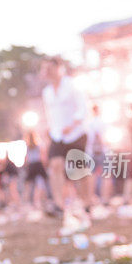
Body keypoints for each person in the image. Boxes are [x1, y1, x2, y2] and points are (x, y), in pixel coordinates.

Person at [40, 57, 91, 216]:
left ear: (58, 68)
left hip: (76, 134)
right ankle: (59, 204)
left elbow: (83, 107)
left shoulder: (71, 85)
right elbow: (49, 114)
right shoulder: (46, 92)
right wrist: (47, 130)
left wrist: (74, 123)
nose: (47, 72)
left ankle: (87, 202)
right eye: (45, 69)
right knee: (55, 166)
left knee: (80, 170)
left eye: (50, 68)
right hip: (57, 135)